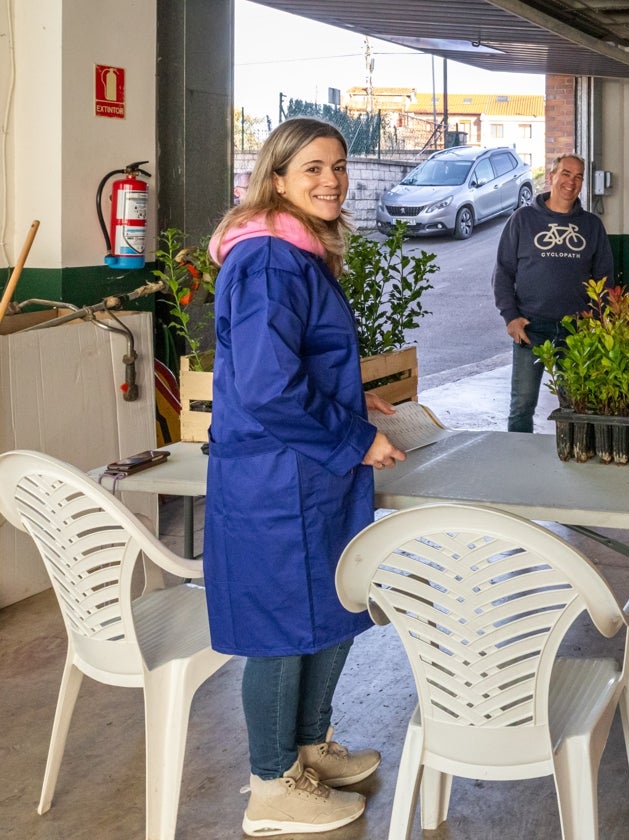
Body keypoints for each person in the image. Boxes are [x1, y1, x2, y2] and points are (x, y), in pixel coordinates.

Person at [204, 117, 407, 835]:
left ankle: (307, 751)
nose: (332, 180)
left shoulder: (297, 251)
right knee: (284, 629)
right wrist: (355, 437)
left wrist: (355, 393)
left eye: (339, 166)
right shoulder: (266, 257)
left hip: (308, 474)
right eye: (313, 168)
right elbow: (264, 388)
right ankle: (270, 785)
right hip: (275, 477)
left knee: (333, 612)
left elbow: (294, 360)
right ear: (278, 178)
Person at [492, 153, 614, 433]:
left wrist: (599, 321)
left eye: (579, 176)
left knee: (576, 406)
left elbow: (604, 280)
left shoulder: (592, 226)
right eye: (566, 174)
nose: (571, 182)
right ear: (551, 177)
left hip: (576, 331)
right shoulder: (522, 220)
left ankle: (574, 459)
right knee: (522, 405)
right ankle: (519, 466)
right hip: (531, 328)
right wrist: (511, 317)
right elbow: (502, 273)